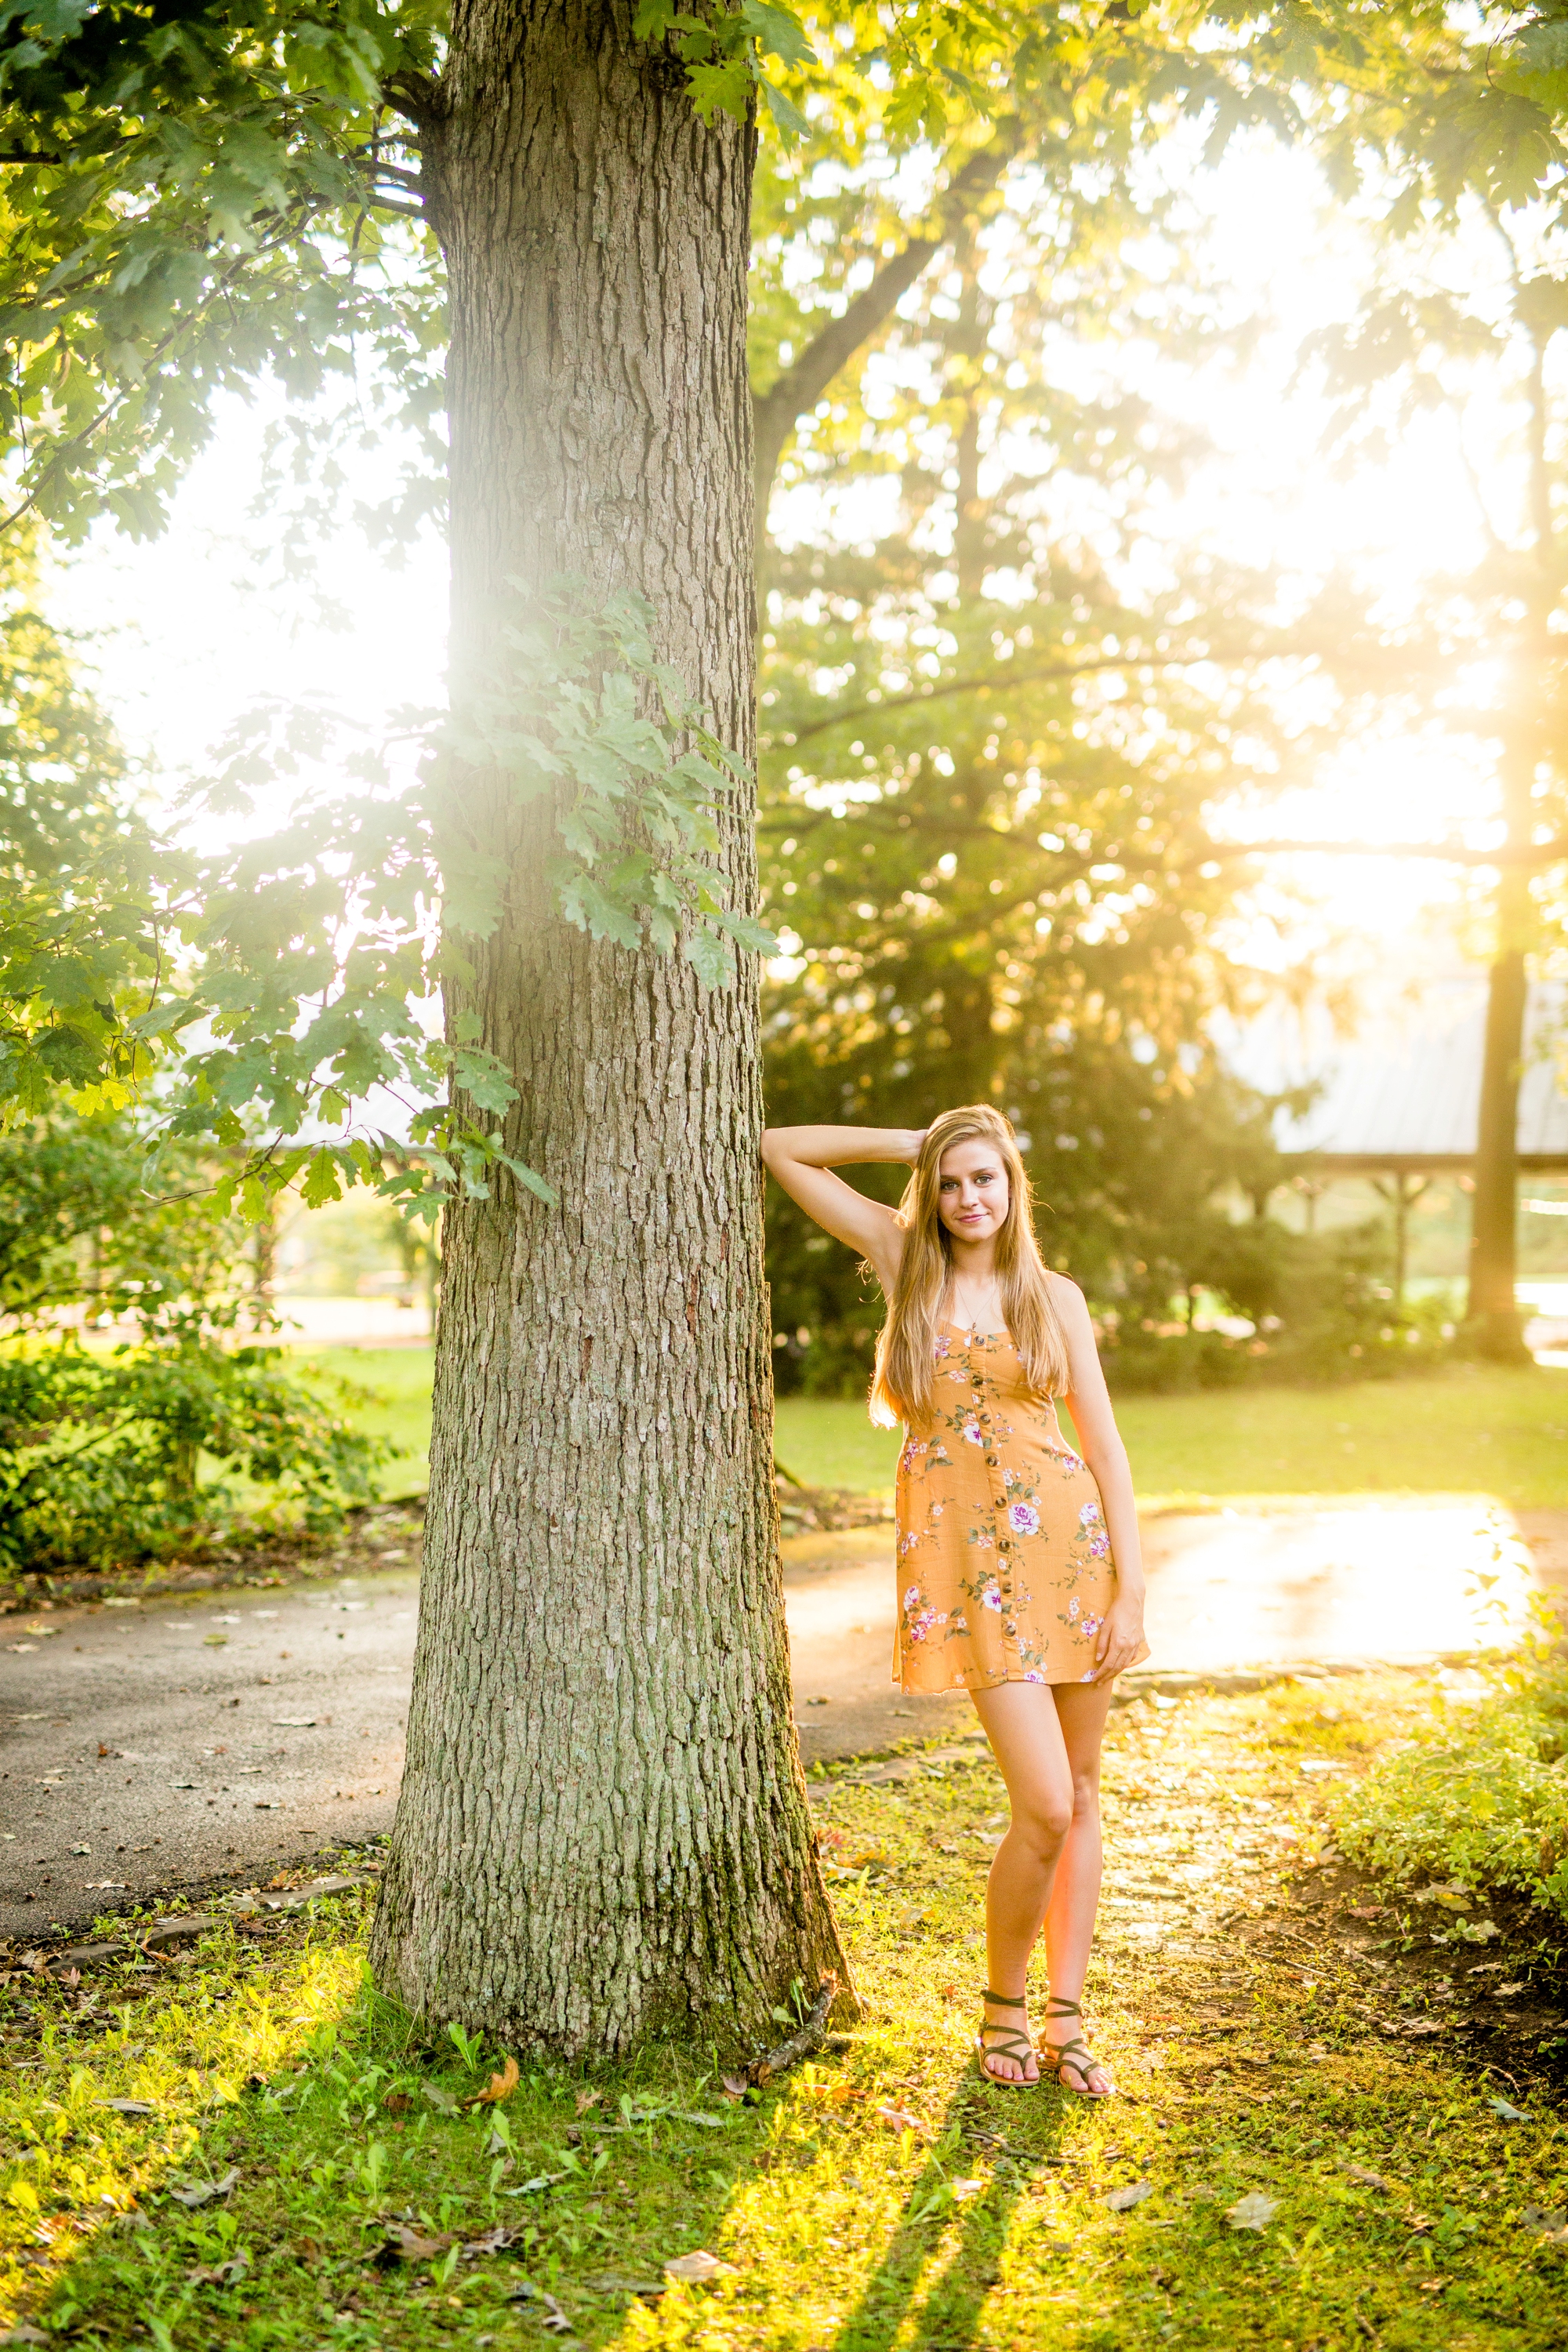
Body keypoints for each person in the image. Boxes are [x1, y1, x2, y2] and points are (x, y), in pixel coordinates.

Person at [761, 1105, 1149, 2093]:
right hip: (965, 1572)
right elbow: (779, 1150)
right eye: (951, 1181)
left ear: (1013, 1186)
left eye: (985, 1178)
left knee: (1085, 1790)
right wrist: (914, 1146)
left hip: (1073, 1558)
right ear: (930, 1193)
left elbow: (1101, 1449)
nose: (968, 1198)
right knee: (1046, 1805)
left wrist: (1132, 1594)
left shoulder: (1051, 1296)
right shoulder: (904, 1261)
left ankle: (1065, 2020)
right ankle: (1001, 2007)